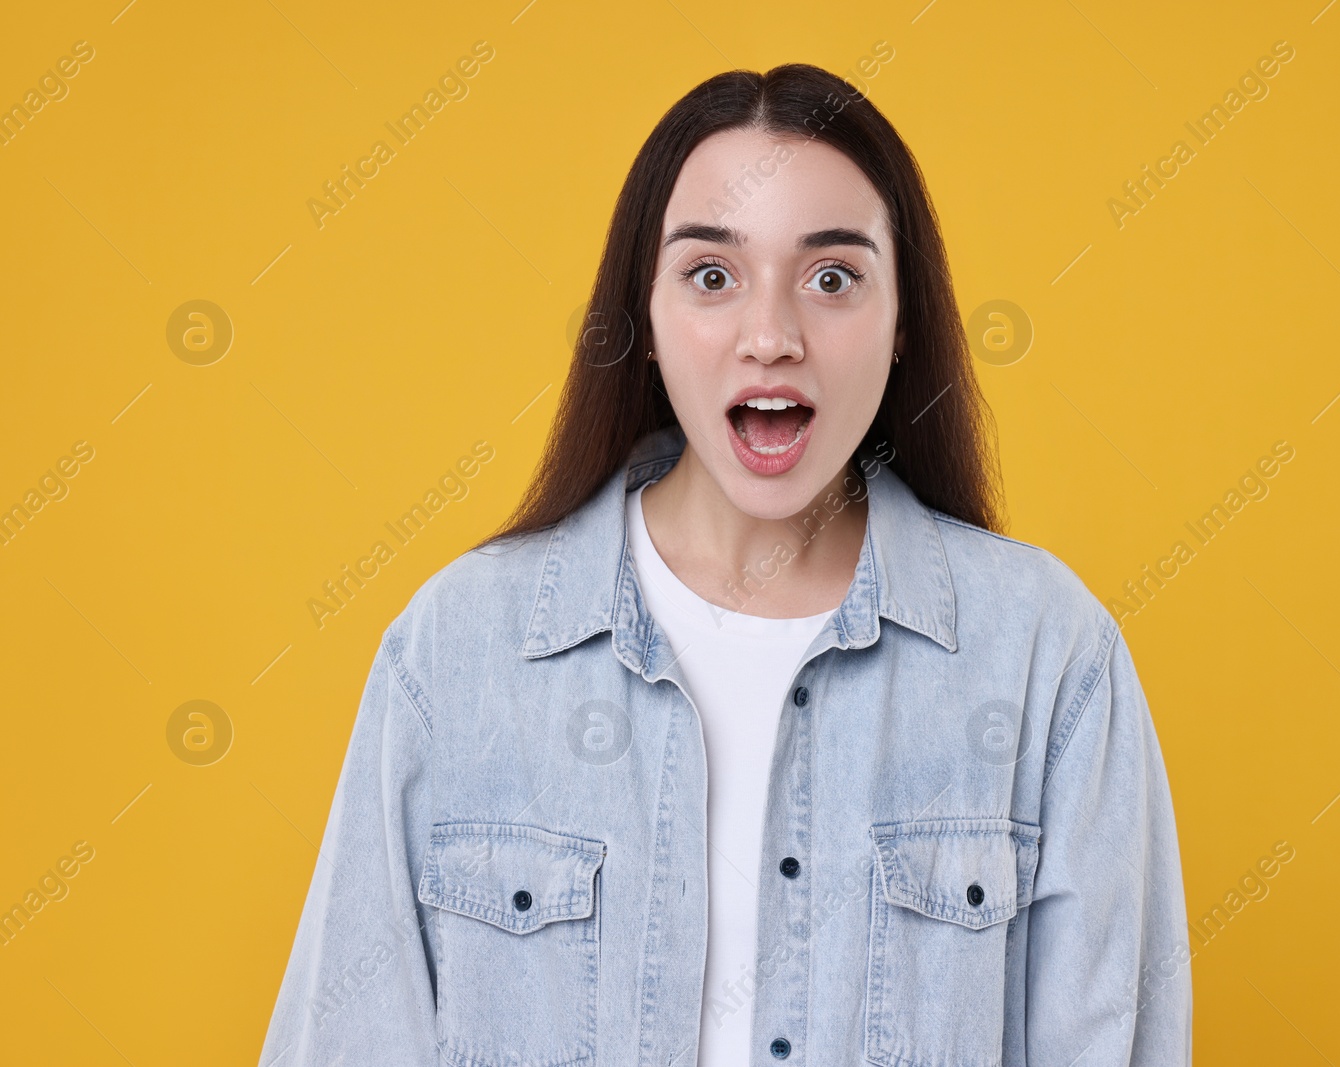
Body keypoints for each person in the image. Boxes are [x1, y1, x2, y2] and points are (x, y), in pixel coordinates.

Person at [259, 63, 1191, 1067]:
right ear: (647, 320)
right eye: (712, 275)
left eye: (832, 278)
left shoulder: (1048, 654)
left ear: (904, 319)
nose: (770, 336)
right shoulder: (456, 650)